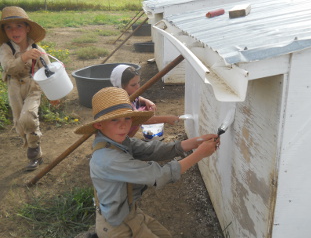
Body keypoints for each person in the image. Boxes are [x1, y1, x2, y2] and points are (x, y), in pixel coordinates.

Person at [74, 87, 220, 238]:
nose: (123, 125)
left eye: (127, 118)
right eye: (114, 119)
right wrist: (199, 154)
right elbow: (158, 175)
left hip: (131, 213)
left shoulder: (119, 141)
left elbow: (151, 149)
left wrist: (193, 143)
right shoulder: (107, 159)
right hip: (117, 226)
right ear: (99, 125)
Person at [0, 6, 57, 171]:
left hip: (33, 86)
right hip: (14, 87)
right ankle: (29, 142)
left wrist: (52, 94)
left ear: (27, 28)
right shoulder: (5, 49)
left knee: (28, 117)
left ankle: (34, 152)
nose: (14, 30)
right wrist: (23, 57)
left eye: (19, 25)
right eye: (8, 27)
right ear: (4, 30)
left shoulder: (38, 51)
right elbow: (8, 68)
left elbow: (48, 74)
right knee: (19, 123)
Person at [110, 64, 180, 137]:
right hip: (117, 133)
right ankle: (123, 141)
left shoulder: (130, 93)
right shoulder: (121, 101)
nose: (138, 86)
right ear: (121, 86)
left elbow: (138, 98)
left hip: (128, 127)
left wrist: (146, 101)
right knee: (136, 122)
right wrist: (166, 119)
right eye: (133, 85)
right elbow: (141, 119)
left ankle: (128, 140)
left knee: (136, 124)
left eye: (139, 82)